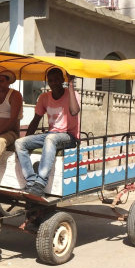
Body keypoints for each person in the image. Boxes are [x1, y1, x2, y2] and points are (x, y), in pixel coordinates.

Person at [14, 67, 80, 197]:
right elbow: (36, 120)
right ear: (47, 82)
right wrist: (28, 140)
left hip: (69, 136)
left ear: (62, 80)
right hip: (52, 135)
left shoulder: (73, 94)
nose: (54, 83)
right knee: (19, 143)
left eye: (57, 80)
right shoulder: (44, 97)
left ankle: (40, 183)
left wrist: (71, 84)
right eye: (51, 80)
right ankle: (31, 180)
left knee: (51, 139)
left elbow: (74, 111)